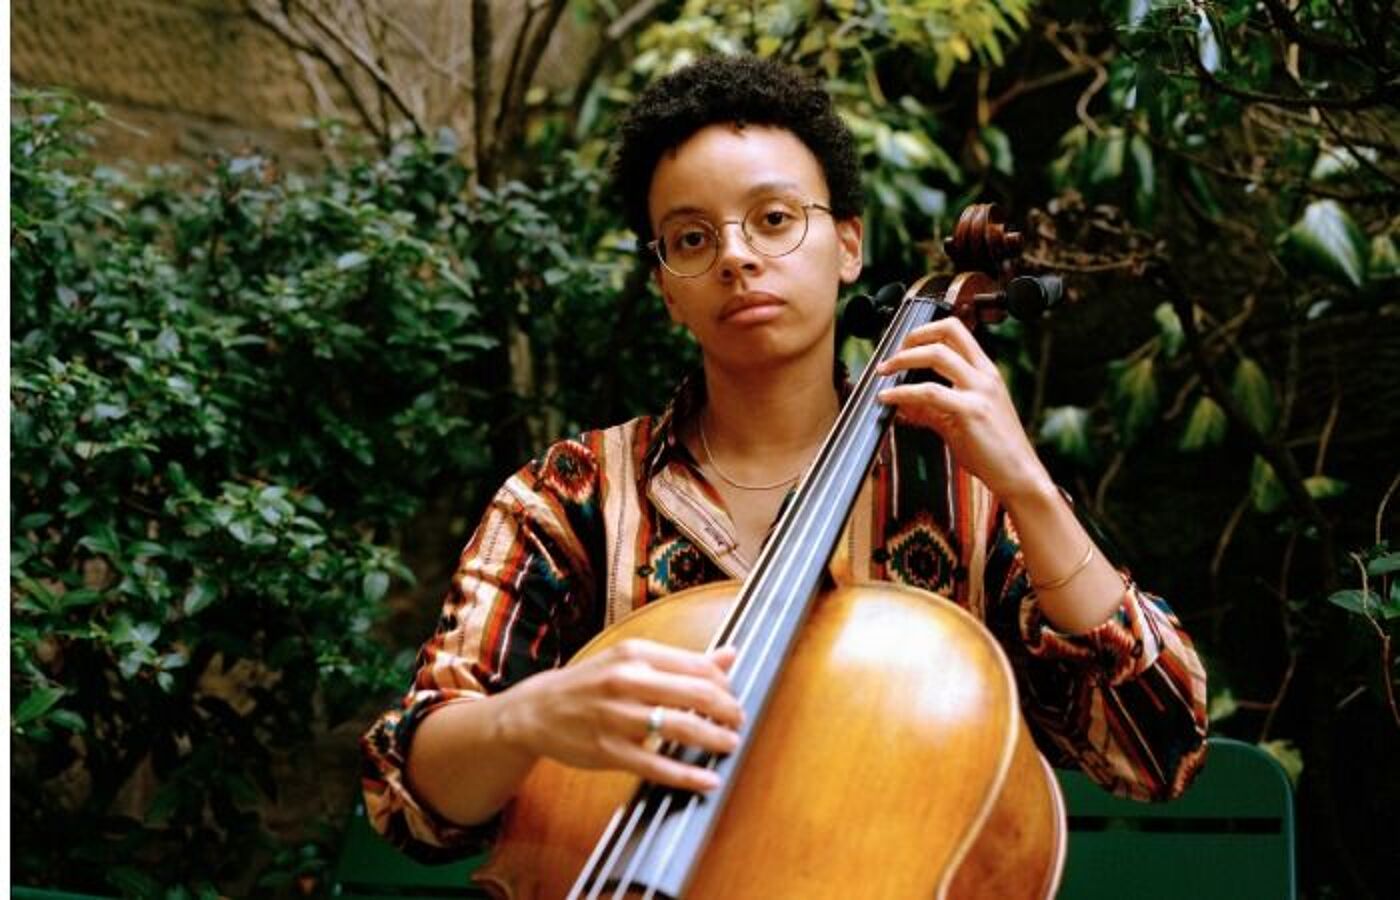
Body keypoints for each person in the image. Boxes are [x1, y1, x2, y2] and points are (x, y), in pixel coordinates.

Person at [360, 53, 1208, 862]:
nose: (735, 255)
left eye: (773, 219)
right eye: (691, 239)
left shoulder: (964, 485)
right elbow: (406, 798)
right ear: (665, 286)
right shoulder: (570, 498)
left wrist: (1026, 485)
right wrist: (529, 719)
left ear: (847, 245)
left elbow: (1157, 749)